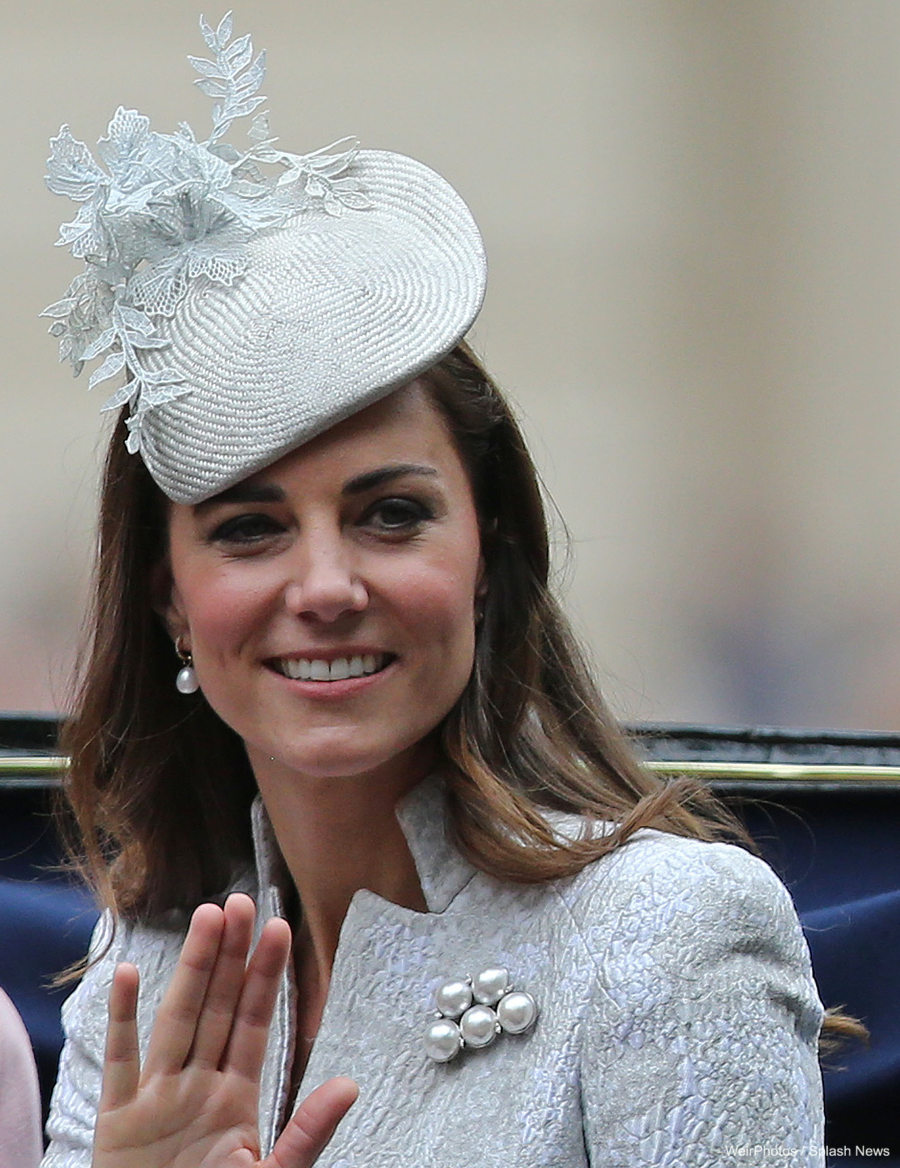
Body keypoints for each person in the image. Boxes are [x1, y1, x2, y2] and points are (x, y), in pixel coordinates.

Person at [41, 15, 829, 1167]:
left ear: (489, 555)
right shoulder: (139, 968)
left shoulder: (671, 934)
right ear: (171, 599)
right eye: (252, 529)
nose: (325, 585)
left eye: (390, 514)